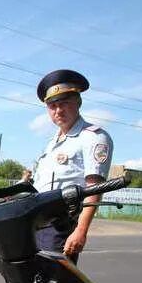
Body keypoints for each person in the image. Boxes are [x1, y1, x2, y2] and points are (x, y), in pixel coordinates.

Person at [32, 69, 113, 264]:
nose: (58, 110)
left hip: (62, 226)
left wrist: (80, 231)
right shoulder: (52, 143)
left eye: (64, 103)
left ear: (78, 102)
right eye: (52, 106)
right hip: (36, 223)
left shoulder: (93, 137)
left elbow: (94, 189)